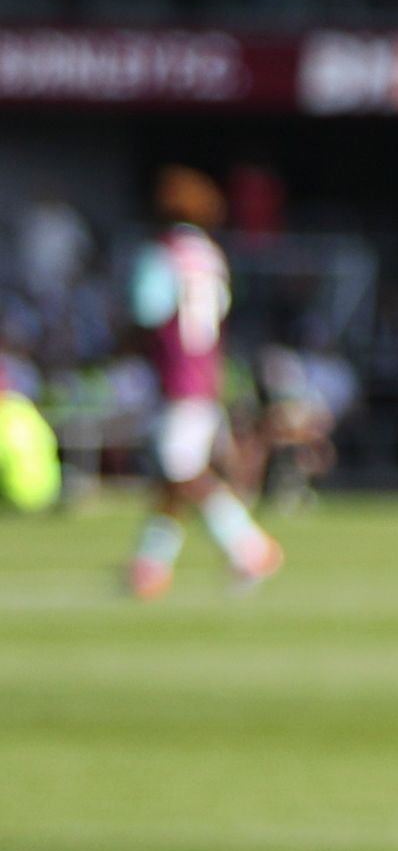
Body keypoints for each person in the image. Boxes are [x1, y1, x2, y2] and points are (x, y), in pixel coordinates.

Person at [120, 169, 276, 601]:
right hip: (207, 372)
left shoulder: (163, 253)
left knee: (181, 470)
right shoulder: (211, 254)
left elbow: (147, 310)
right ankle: (150, 564)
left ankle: (248, 544)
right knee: (172, 474)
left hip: (176, 374)